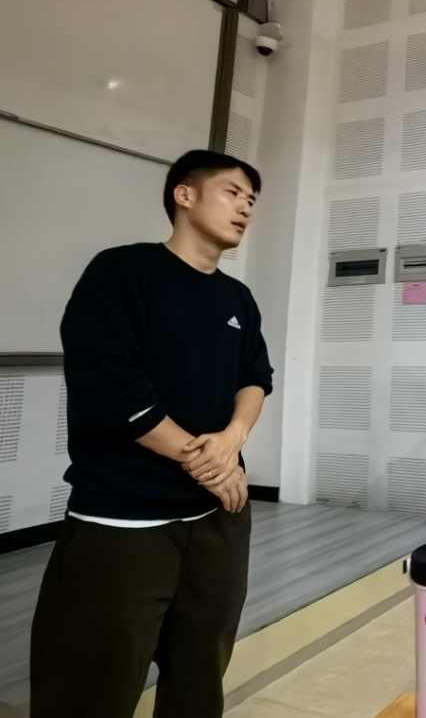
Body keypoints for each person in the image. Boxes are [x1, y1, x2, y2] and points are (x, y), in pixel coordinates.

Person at [30, 150, 273, 718]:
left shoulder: (237, 298)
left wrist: (233, 439)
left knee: (199, 677)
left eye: (251, 200)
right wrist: (206, 462)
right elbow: (113, 388)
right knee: (89, 687)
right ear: (184, 195)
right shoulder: (122, 272)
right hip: (124, 522)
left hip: (217, 520)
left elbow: (255, 378)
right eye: (232, 192)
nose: (245, 207)